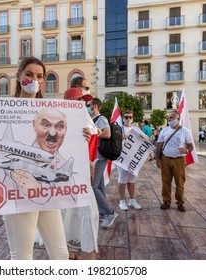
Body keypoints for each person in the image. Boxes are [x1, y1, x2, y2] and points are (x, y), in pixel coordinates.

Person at [0, 56, 90, 260]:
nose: (34, 80)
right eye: (29, 74)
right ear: (19, 76)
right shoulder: (0, 113)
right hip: (18, 197)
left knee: (61, 254)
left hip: (49, 195)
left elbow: (67, 156)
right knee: (22, 257)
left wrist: (82, 137)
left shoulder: (53, 111)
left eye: (39, 76)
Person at [62, 87, 99, 260]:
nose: (83, 104)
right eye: (79, 100)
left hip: (82, 172)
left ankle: (77, 248)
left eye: (84, 101)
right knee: (67, 210)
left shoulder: (85, 120)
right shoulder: (61, 121)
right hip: (67, 174)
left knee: (83, 210)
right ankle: (69, 249)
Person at [88, 97, 118, 228]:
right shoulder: (92, 119)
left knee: (92, 187)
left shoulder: (101, 119)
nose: (86, 107)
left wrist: (94, 134)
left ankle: (109, 212)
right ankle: (102, 212)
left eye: (88, 105)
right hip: (96, 156)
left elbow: (107, 134)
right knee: (99, 186)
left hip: (99, 157)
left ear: (94, 106)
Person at [156, 110, 194, 212]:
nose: (169, 120)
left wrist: (186, 150)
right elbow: (159, 144)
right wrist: (158, 159)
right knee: (165, 181)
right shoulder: (164, 131)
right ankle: (166, 201)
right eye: (168, 118)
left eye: (172, 118)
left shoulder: (185, 131)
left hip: (179, 160)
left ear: (178, 119)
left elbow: (190, 146)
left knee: (180, 182)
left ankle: (180, 202)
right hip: (166, 159)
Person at [117, 110, 149, 211]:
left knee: (132, 180)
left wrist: (142, 136)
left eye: (130, 117)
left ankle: (132, 200)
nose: (128, 119)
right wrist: (122, 137)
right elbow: (114, 141)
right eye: (126, 117)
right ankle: (122, 201)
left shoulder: (136, 129)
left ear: (133, 118)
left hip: (134, 159)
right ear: (123, 118)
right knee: (122, 179)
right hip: (123, 158)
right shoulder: (119, 129)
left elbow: (147, 139)